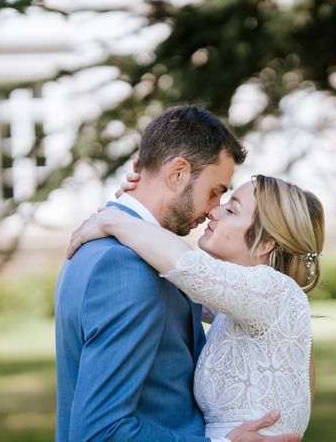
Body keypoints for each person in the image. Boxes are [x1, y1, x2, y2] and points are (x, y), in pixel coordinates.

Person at [55, 106, 299, 442]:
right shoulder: (126, 267)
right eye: (215, 191)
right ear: (178, 173)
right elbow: (101, 433)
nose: (214, 208)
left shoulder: (117, 246)